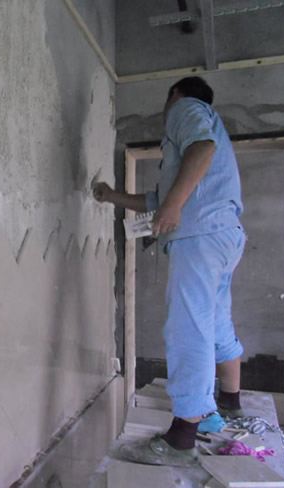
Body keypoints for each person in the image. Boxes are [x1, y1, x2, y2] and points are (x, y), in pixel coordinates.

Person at [94, 77, 246, 466]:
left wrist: (174, 206)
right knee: (214, 320)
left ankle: (181, 440)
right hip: (223, 236)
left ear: (174, 94)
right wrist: (111, 197)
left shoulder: (185, 109)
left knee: (188, 329)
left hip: (199, 235)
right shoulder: (204, 125)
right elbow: (157, 199)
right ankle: (229, 404)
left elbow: (201, 149)